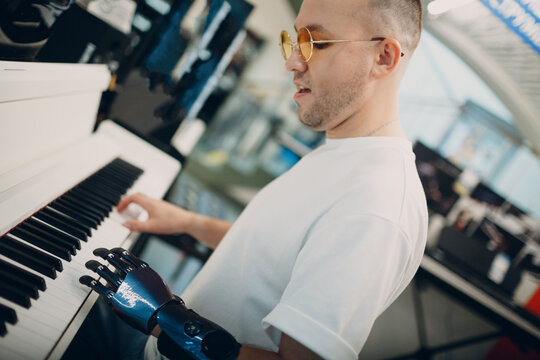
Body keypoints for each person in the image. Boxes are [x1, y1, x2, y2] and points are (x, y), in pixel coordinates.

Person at [82, 0, 428, 359]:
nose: (292, 61)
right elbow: (278, 255)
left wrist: (165, 319)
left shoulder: (376, 206)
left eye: (318, 43)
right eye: (296, 40)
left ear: (384, 57)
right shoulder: (344, 154)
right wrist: (186, 222)